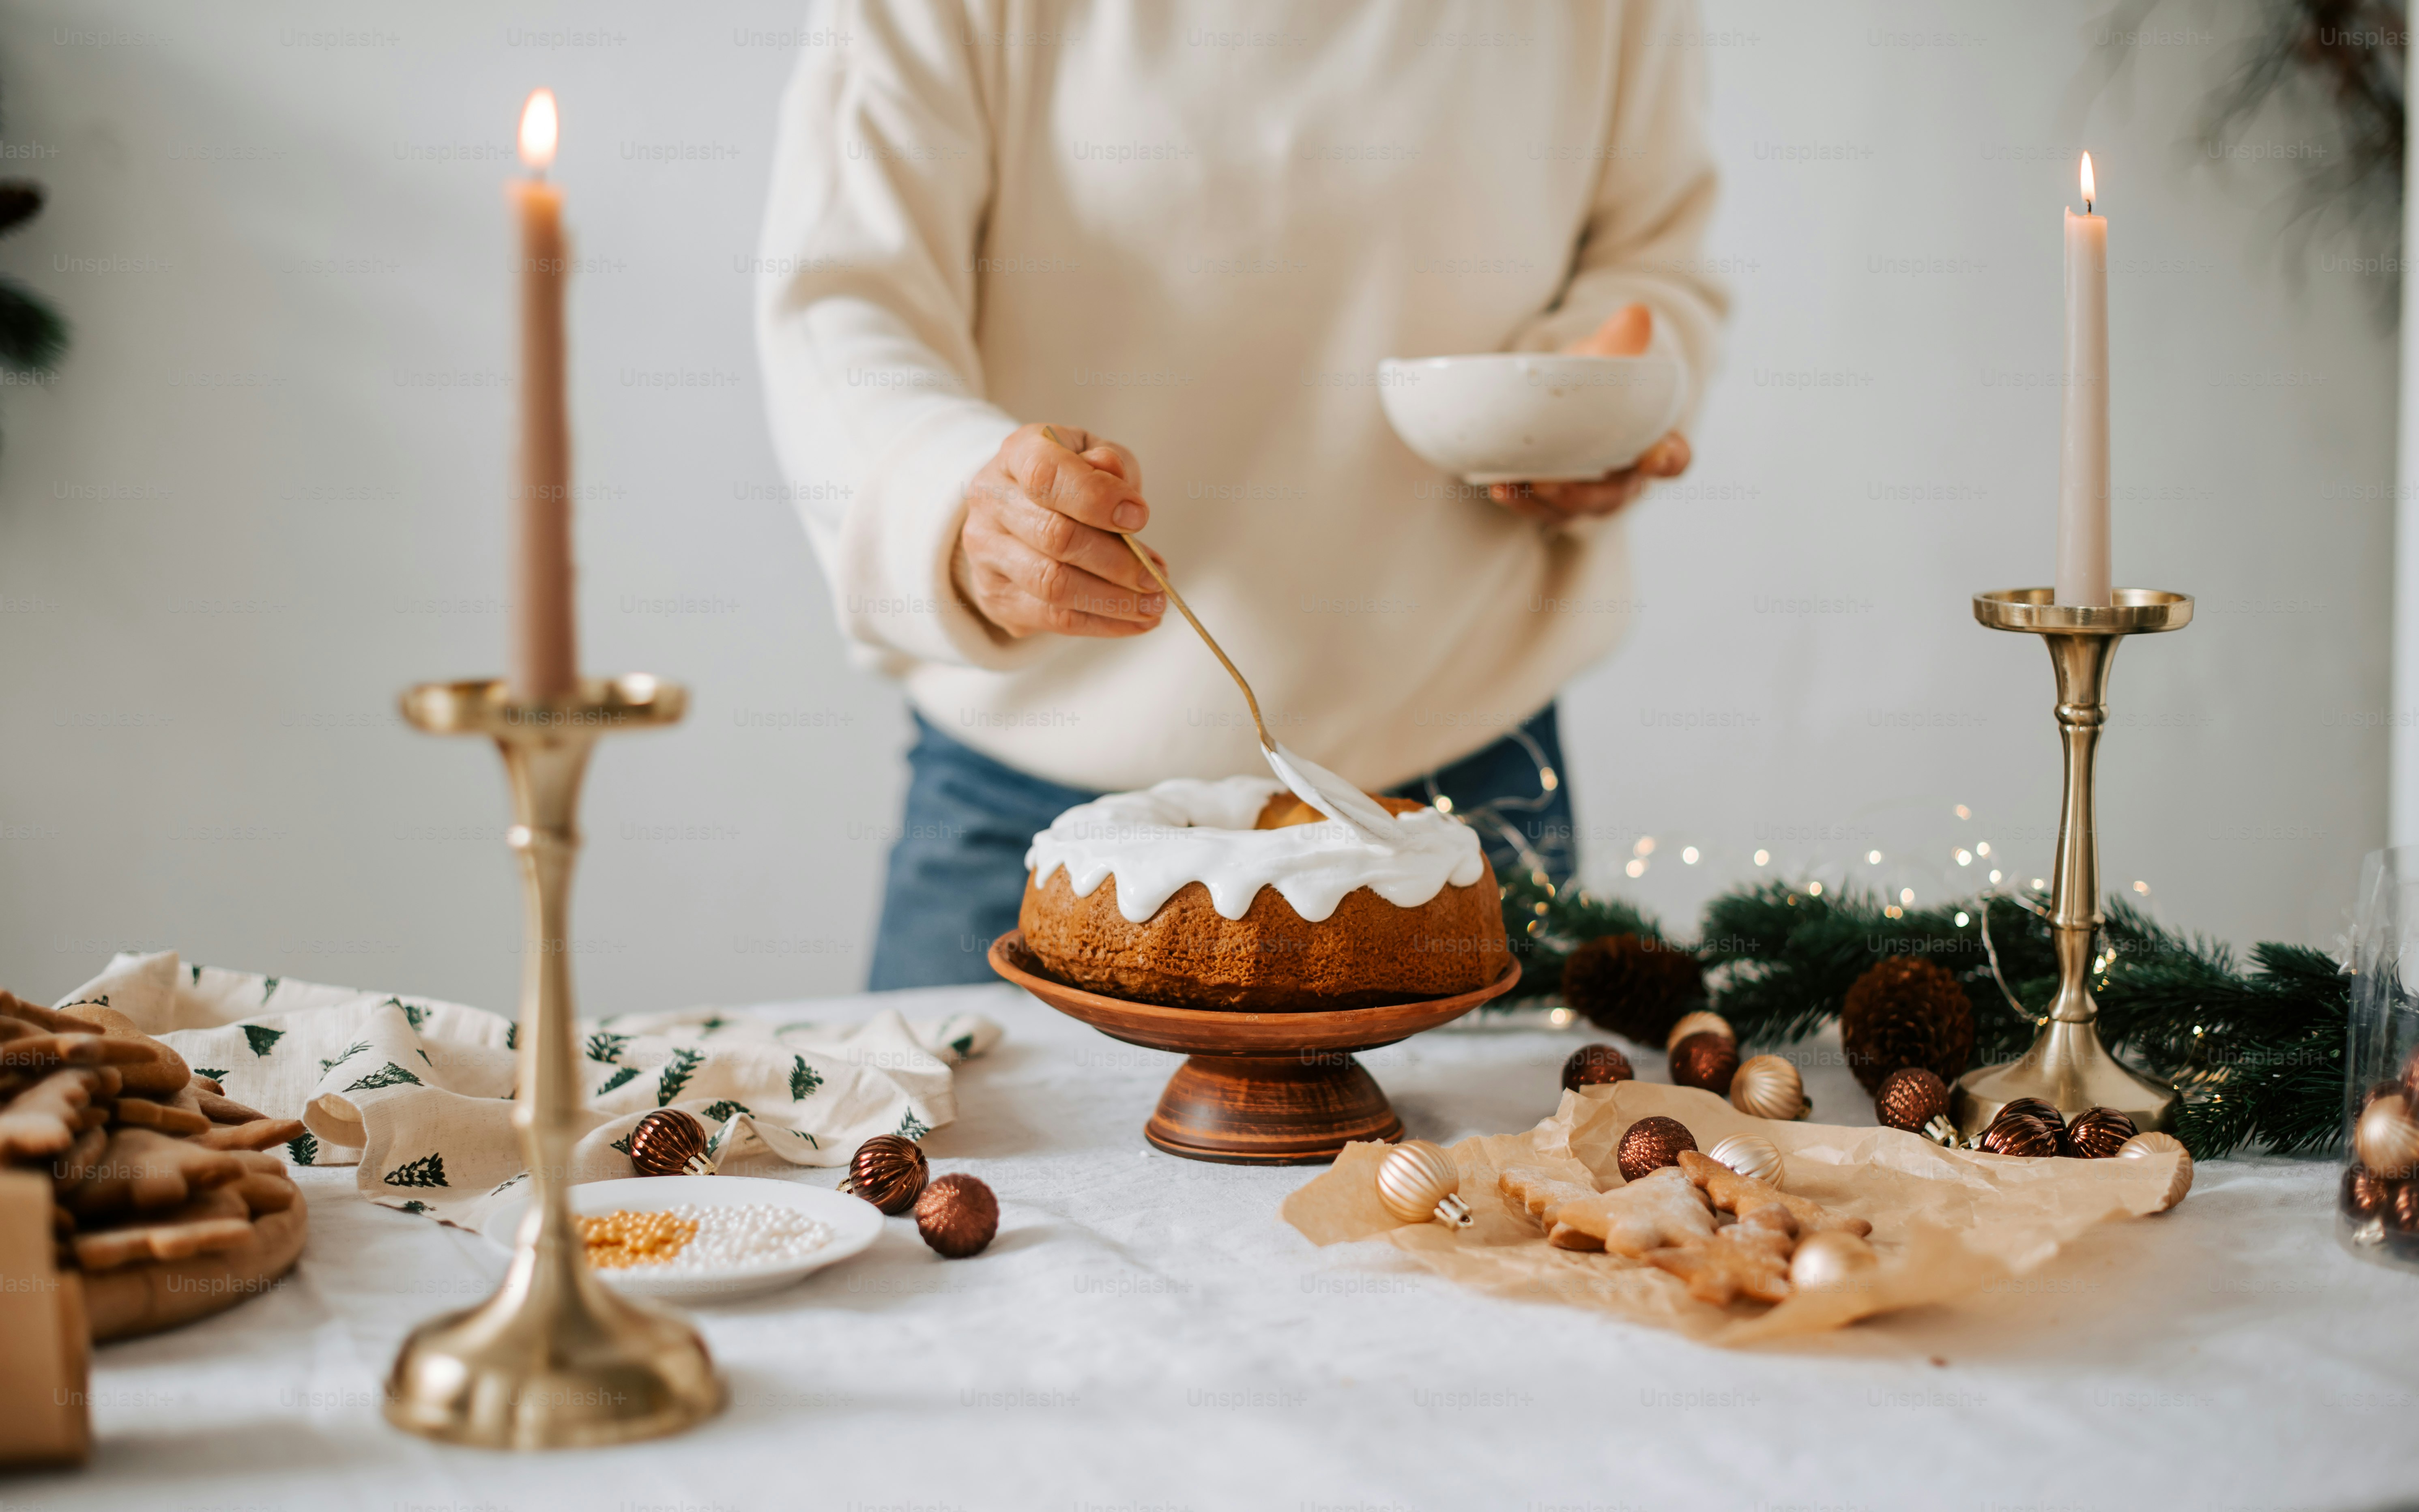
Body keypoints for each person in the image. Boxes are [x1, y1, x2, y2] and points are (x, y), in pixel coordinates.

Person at [754, 2, 1726, 989]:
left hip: (1464, 781)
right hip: (1030, 798)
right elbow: (843, 299)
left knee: (1504, 1154)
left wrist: (1584, 403)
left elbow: (1652, 256)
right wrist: (963, 509)